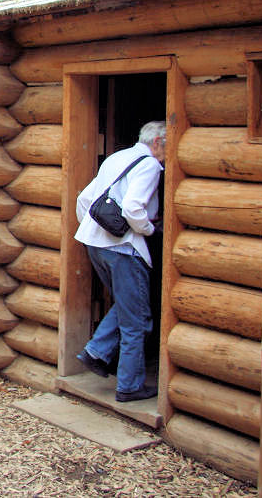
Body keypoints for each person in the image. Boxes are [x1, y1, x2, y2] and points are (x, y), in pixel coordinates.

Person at [74, 120, 166, 402]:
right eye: (169, 145)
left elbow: (85, 198)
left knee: (128, 306)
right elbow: (133, 208)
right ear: (157, 143)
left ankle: (96, 351)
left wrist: (94, 228)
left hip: (95, 243)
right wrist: (152, 231)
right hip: (124, 248)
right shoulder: (150, 165)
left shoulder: (117, 157)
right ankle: (129, 386)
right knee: (136, 319)